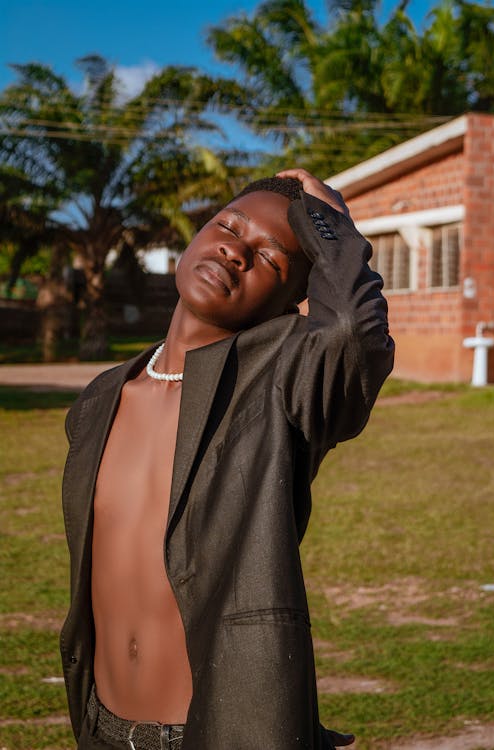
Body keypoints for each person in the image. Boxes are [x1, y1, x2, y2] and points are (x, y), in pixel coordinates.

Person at [61, 168, 394, 750]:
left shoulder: (282, 386)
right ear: (194, 238)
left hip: (225, 729)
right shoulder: (100, 399)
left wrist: (332, 223)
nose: (236, 251)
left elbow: (352, 332)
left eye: (269, 259)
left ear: (293, 304)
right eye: (227, 226)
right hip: (100, 724)